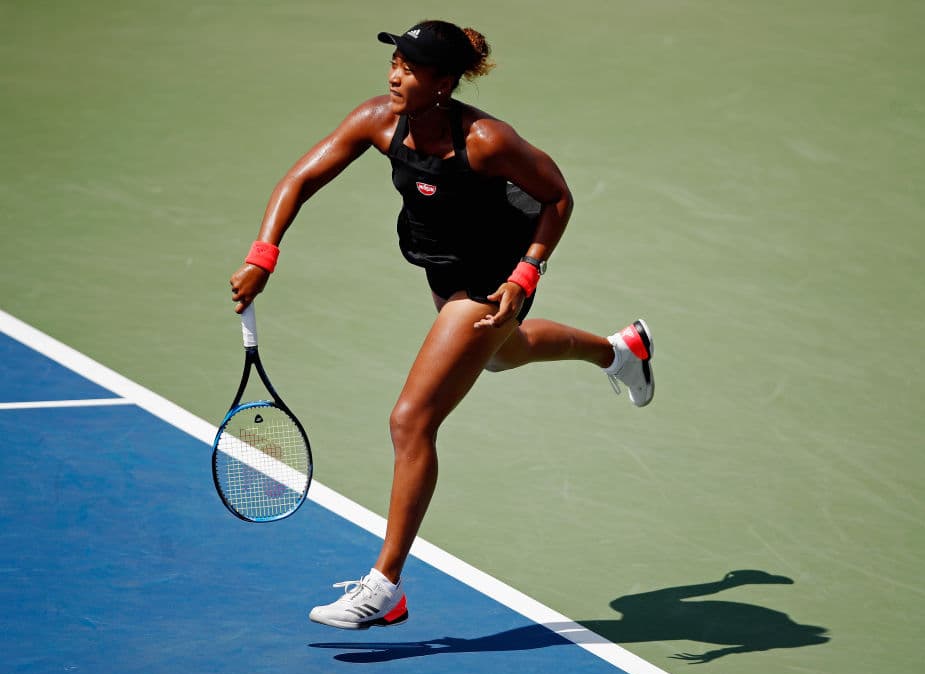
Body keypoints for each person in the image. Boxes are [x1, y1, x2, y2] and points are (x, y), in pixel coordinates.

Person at [228, 19, 655, 630]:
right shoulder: (378, 119)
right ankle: (620, 350)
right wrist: (263, 255)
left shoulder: (486, 140)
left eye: (408, 66)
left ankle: (385, 586)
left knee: (411, 420)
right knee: (502, 354)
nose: (393, 74)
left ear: (444, 82)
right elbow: (299, 178)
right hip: (443, 263)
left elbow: (557, 196)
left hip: (495, 271)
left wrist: (525, 276)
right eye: (394, 61)